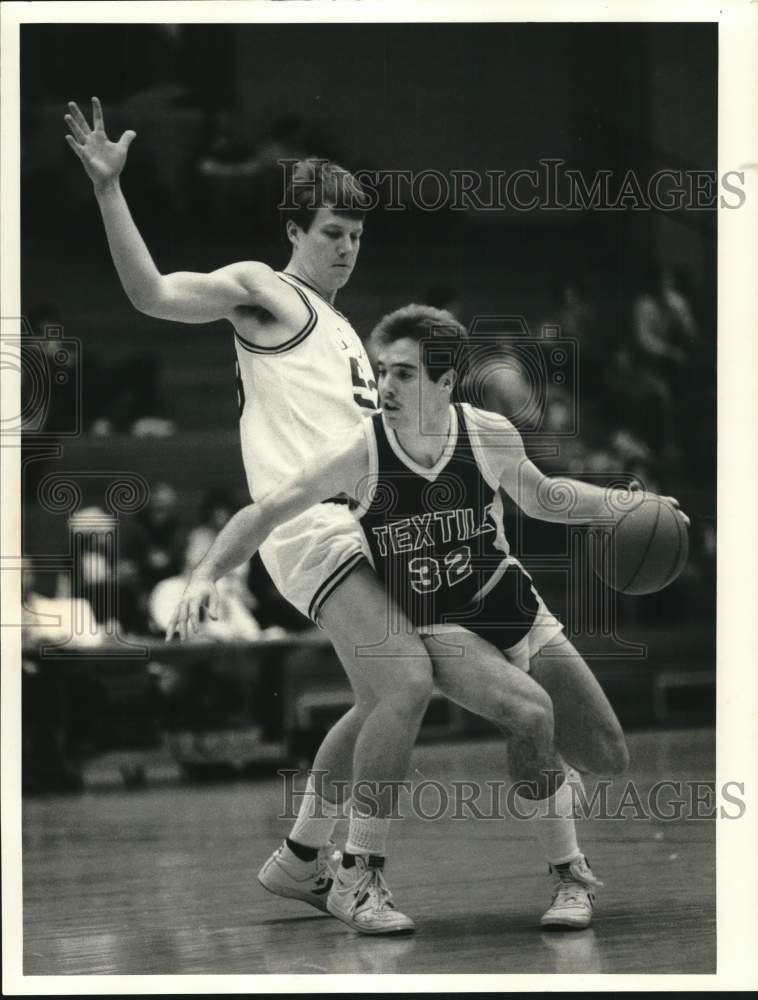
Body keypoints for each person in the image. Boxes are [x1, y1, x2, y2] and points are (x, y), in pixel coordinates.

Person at [167, 304, 691, 931]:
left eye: (406, 375)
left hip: (513, 608)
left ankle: (537, 776)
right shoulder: (360, 451)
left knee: (607, 757)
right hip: (441, 627)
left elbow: (546, 498)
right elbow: (267, 510)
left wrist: (631, 502)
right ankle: (567, 877)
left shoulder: (488, 433)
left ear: (445, 383)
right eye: (383, 371)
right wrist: (205, 573)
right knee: (531, 713)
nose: (386, 386)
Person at [65, 98, 439, 935]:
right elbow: (154, 294)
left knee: (374, 701)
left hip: (360, 526)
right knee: (409, 682)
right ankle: (356, 875)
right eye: (332, 232)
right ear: (294, 230)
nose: (346, 248)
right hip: (309, 530)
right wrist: (109, 191)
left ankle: (300, 860)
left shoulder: (346, 330)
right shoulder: (265, 292)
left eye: (356, 236)